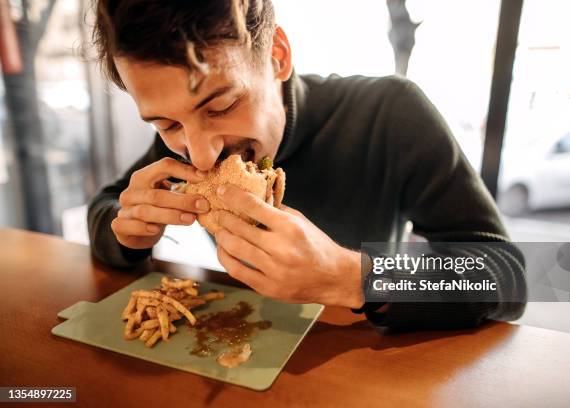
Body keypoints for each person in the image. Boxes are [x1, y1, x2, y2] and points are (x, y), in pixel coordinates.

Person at [88, 0, 526, 331]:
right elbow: (108, 206)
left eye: (221, 105)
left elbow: (506, 276)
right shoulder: (186, 142)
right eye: (166, 123)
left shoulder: (390, 113)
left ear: (277, 55)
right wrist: (126, 232)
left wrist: (354, 279)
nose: (199, 154)